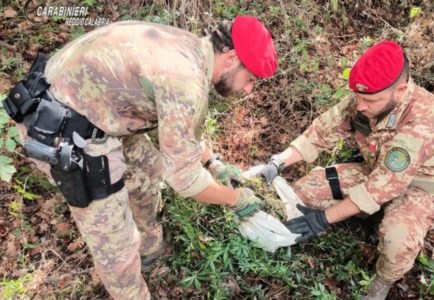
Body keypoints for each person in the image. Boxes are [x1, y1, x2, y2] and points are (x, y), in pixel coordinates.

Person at [2, 16, 277, 299]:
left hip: (100, 113)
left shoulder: (190, 49)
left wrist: (214, 164)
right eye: (250, 80)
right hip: (62, 131)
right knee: (117, 247)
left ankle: (151, 247)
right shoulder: (184, 78)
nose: (248, 90)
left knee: (150, 170)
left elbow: (184, 132)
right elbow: (185, 180)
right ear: (231, 59)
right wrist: (236, 199)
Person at [257, 40, 434, 299]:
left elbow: (380, 188)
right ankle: (366, 214)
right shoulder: (367, 99)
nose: (359, 106)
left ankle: (383, 280)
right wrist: (277, 163)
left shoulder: (424, 122)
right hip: (375, 171)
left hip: (419, 185)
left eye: (369, 99)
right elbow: (320, 132)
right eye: (358, 97)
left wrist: (323, 219)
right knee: (304, 191)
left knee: (397, 241)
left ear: (400, 90)